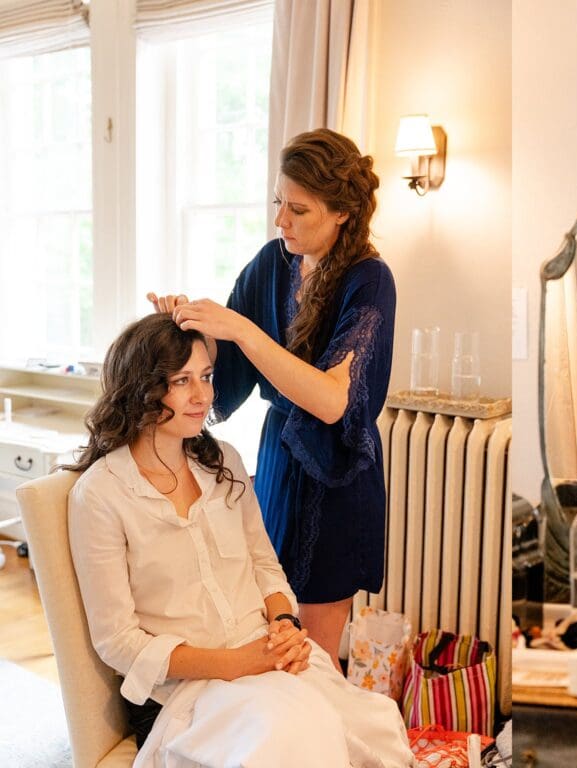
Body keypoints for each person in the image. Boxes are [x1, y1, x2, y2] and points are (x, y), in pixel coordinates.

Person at [66, 314, 412, 767]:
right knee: (300, 736)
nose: (203, 395)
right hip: (192, 688)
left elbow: (264, 565)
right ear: (142, 390)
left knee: (376, 725)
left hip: (265, 653)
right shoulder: (101, 494)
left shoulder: (222, 462)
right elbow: (117, 641)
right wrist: (239, 663)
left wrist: (285, 625)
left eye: (206, 377)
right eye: (182, 381)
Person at [148, 129, 394, 667]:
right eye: (278, 202)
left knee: (315, 660)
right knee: (273, 630)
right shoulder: (272, 263)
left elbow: (333, 400)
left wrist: (240, 328)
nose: (280, 220)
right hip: (281, 466)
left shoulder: (369, 281)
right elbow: (228, 368)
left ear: (342, 214)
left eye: (299, 210)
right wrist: (190, 325)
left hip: (337, 480)